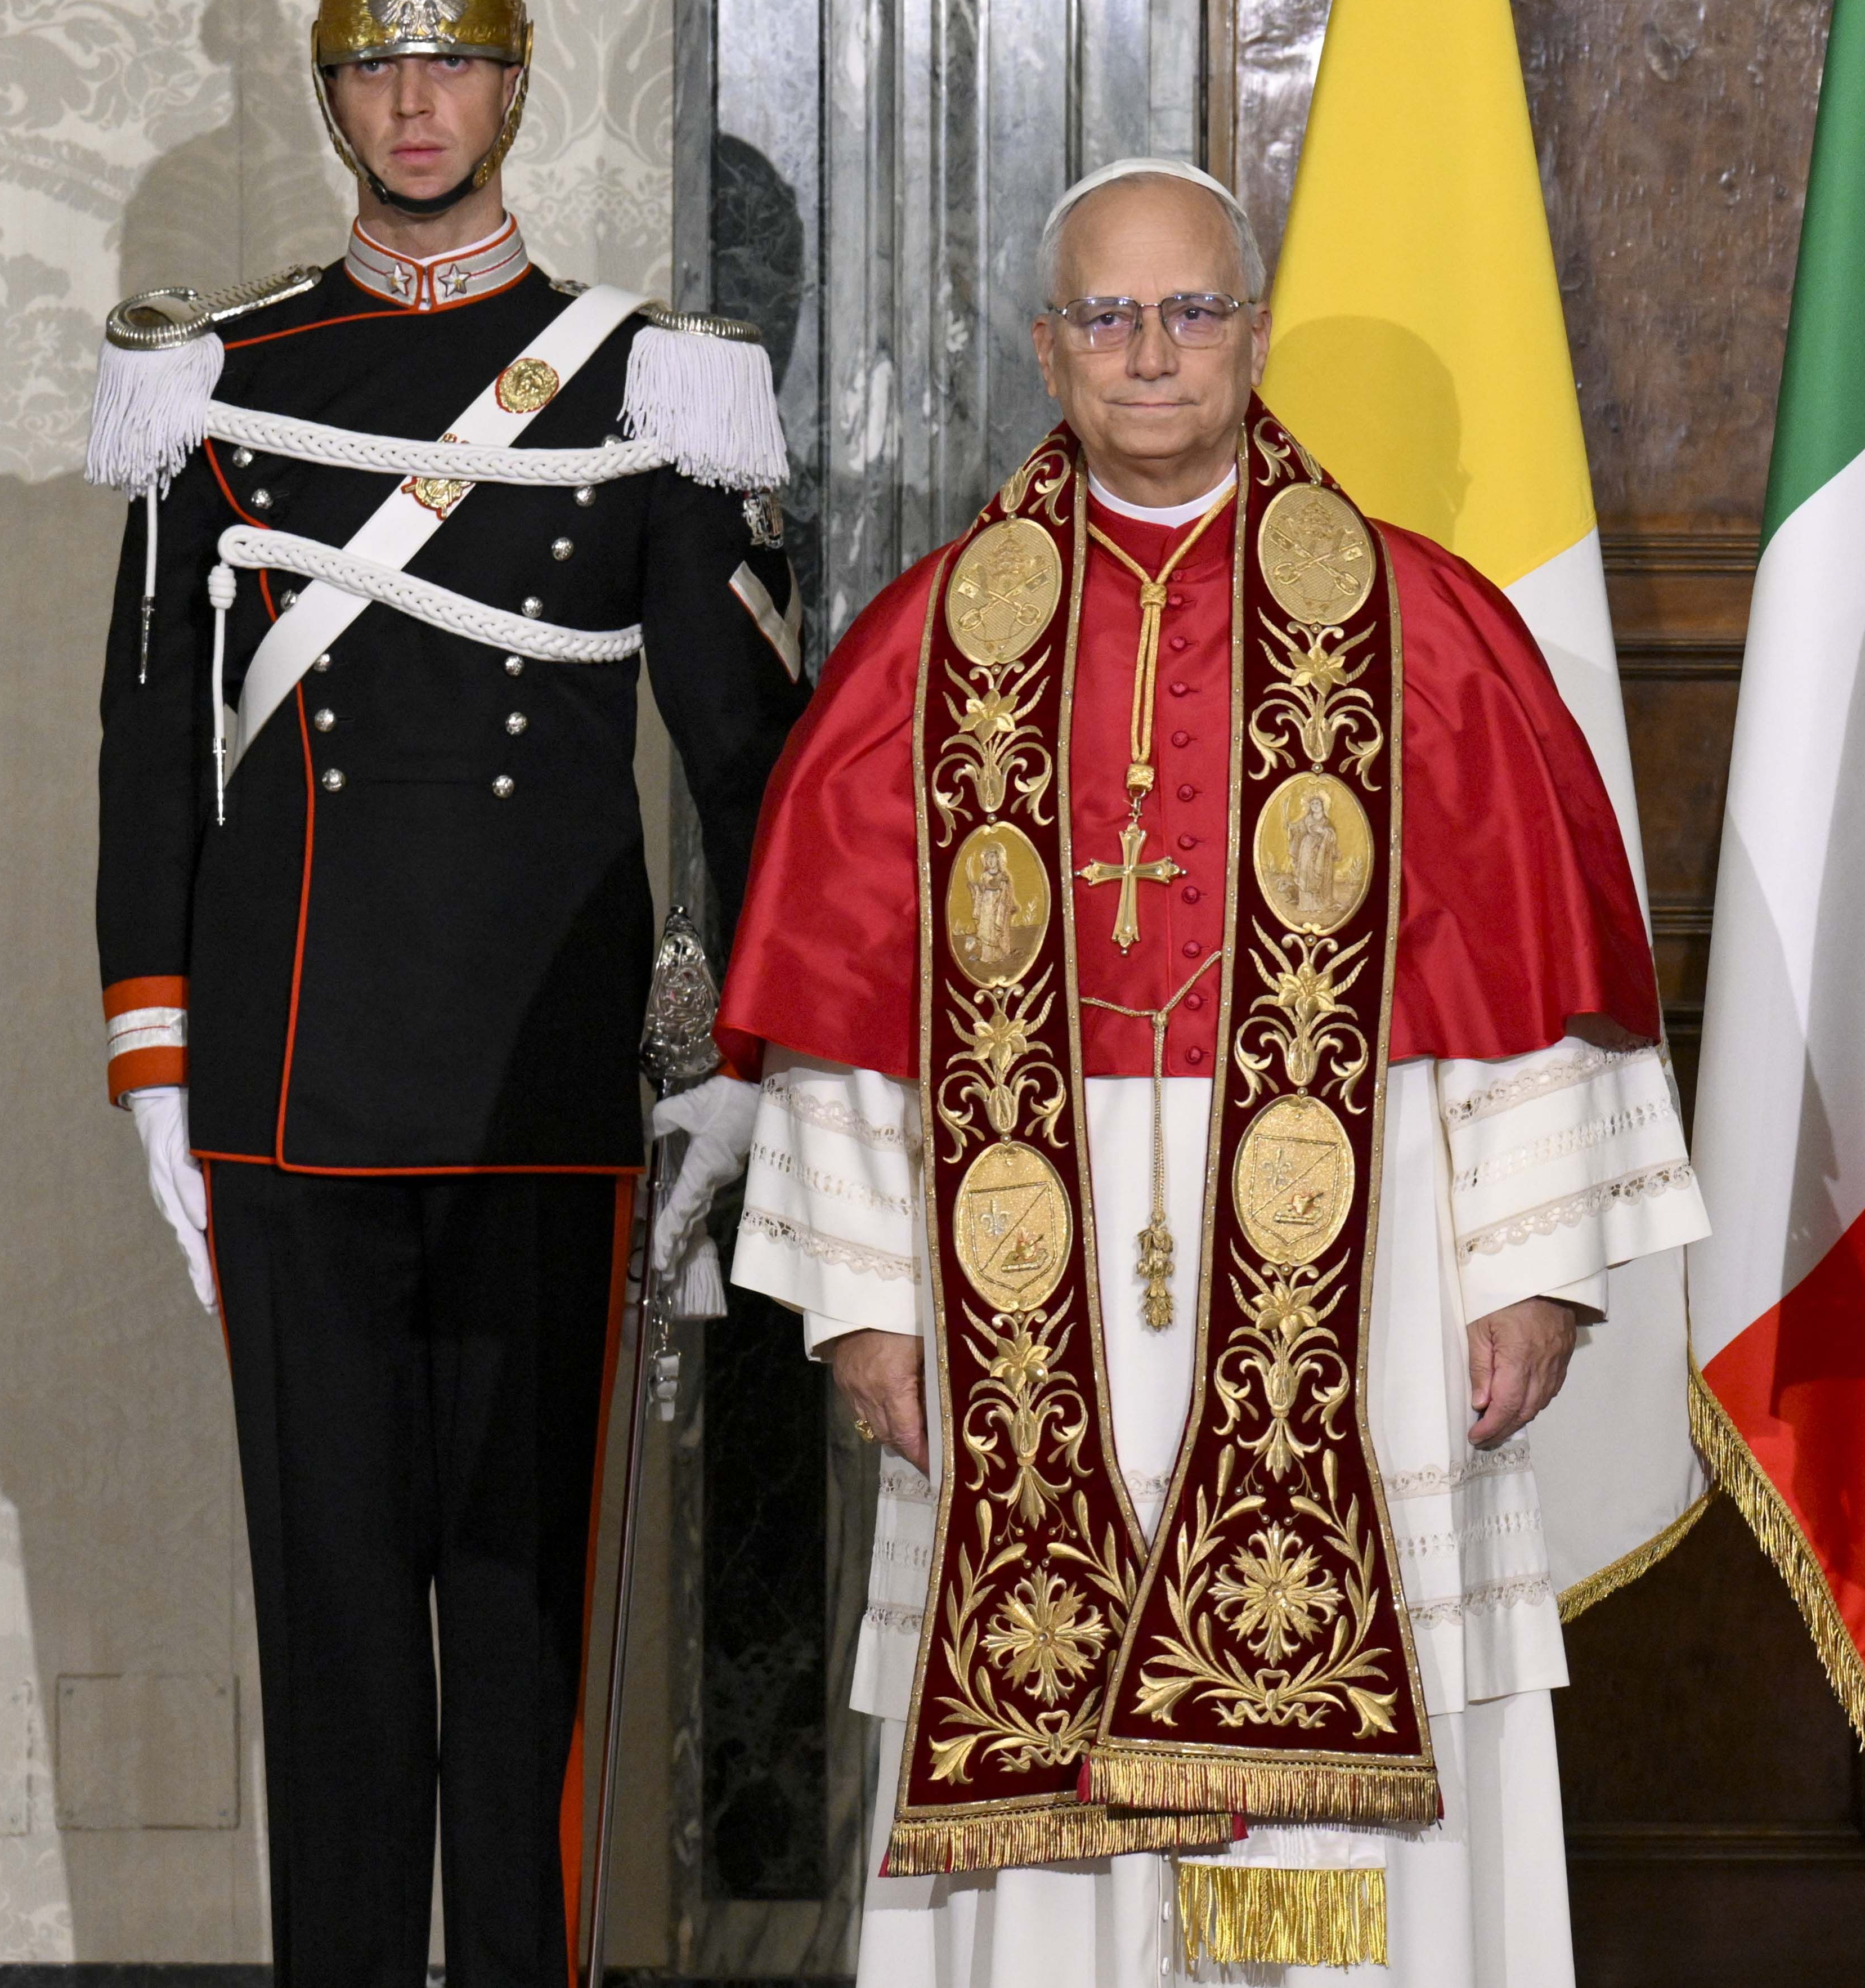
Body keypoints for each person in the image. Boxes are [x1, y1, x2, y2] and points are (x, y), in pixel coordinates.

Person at [719, 159, 1705, 1985]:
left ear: (1253, 334)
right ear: (1045, 348)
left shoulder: (1431, 629)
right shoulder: (925, 649)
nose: (1151, 352)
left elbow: (1529, 989)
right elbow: (846, 1019)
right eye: (1109, 315)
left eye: (1191, 313)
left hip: (1378, 1265)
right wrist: (864, 1305)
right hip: (1011, 1267)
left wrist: (1542, 1276)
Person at [87, 0, 804, 1982]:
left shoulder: (646, 389)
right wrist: (150, 1067)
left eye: (452, 64)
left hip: (546, 1087)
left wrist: (750, 1066)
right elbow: (144, 757)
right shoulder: (221, 389)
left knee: (521, 1633)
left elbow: (750, 756)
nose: (418, 103)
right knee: (328, 1631)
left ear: (511, 88)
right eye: (378, 70)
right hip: (290, 1097)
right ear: (337, 101)